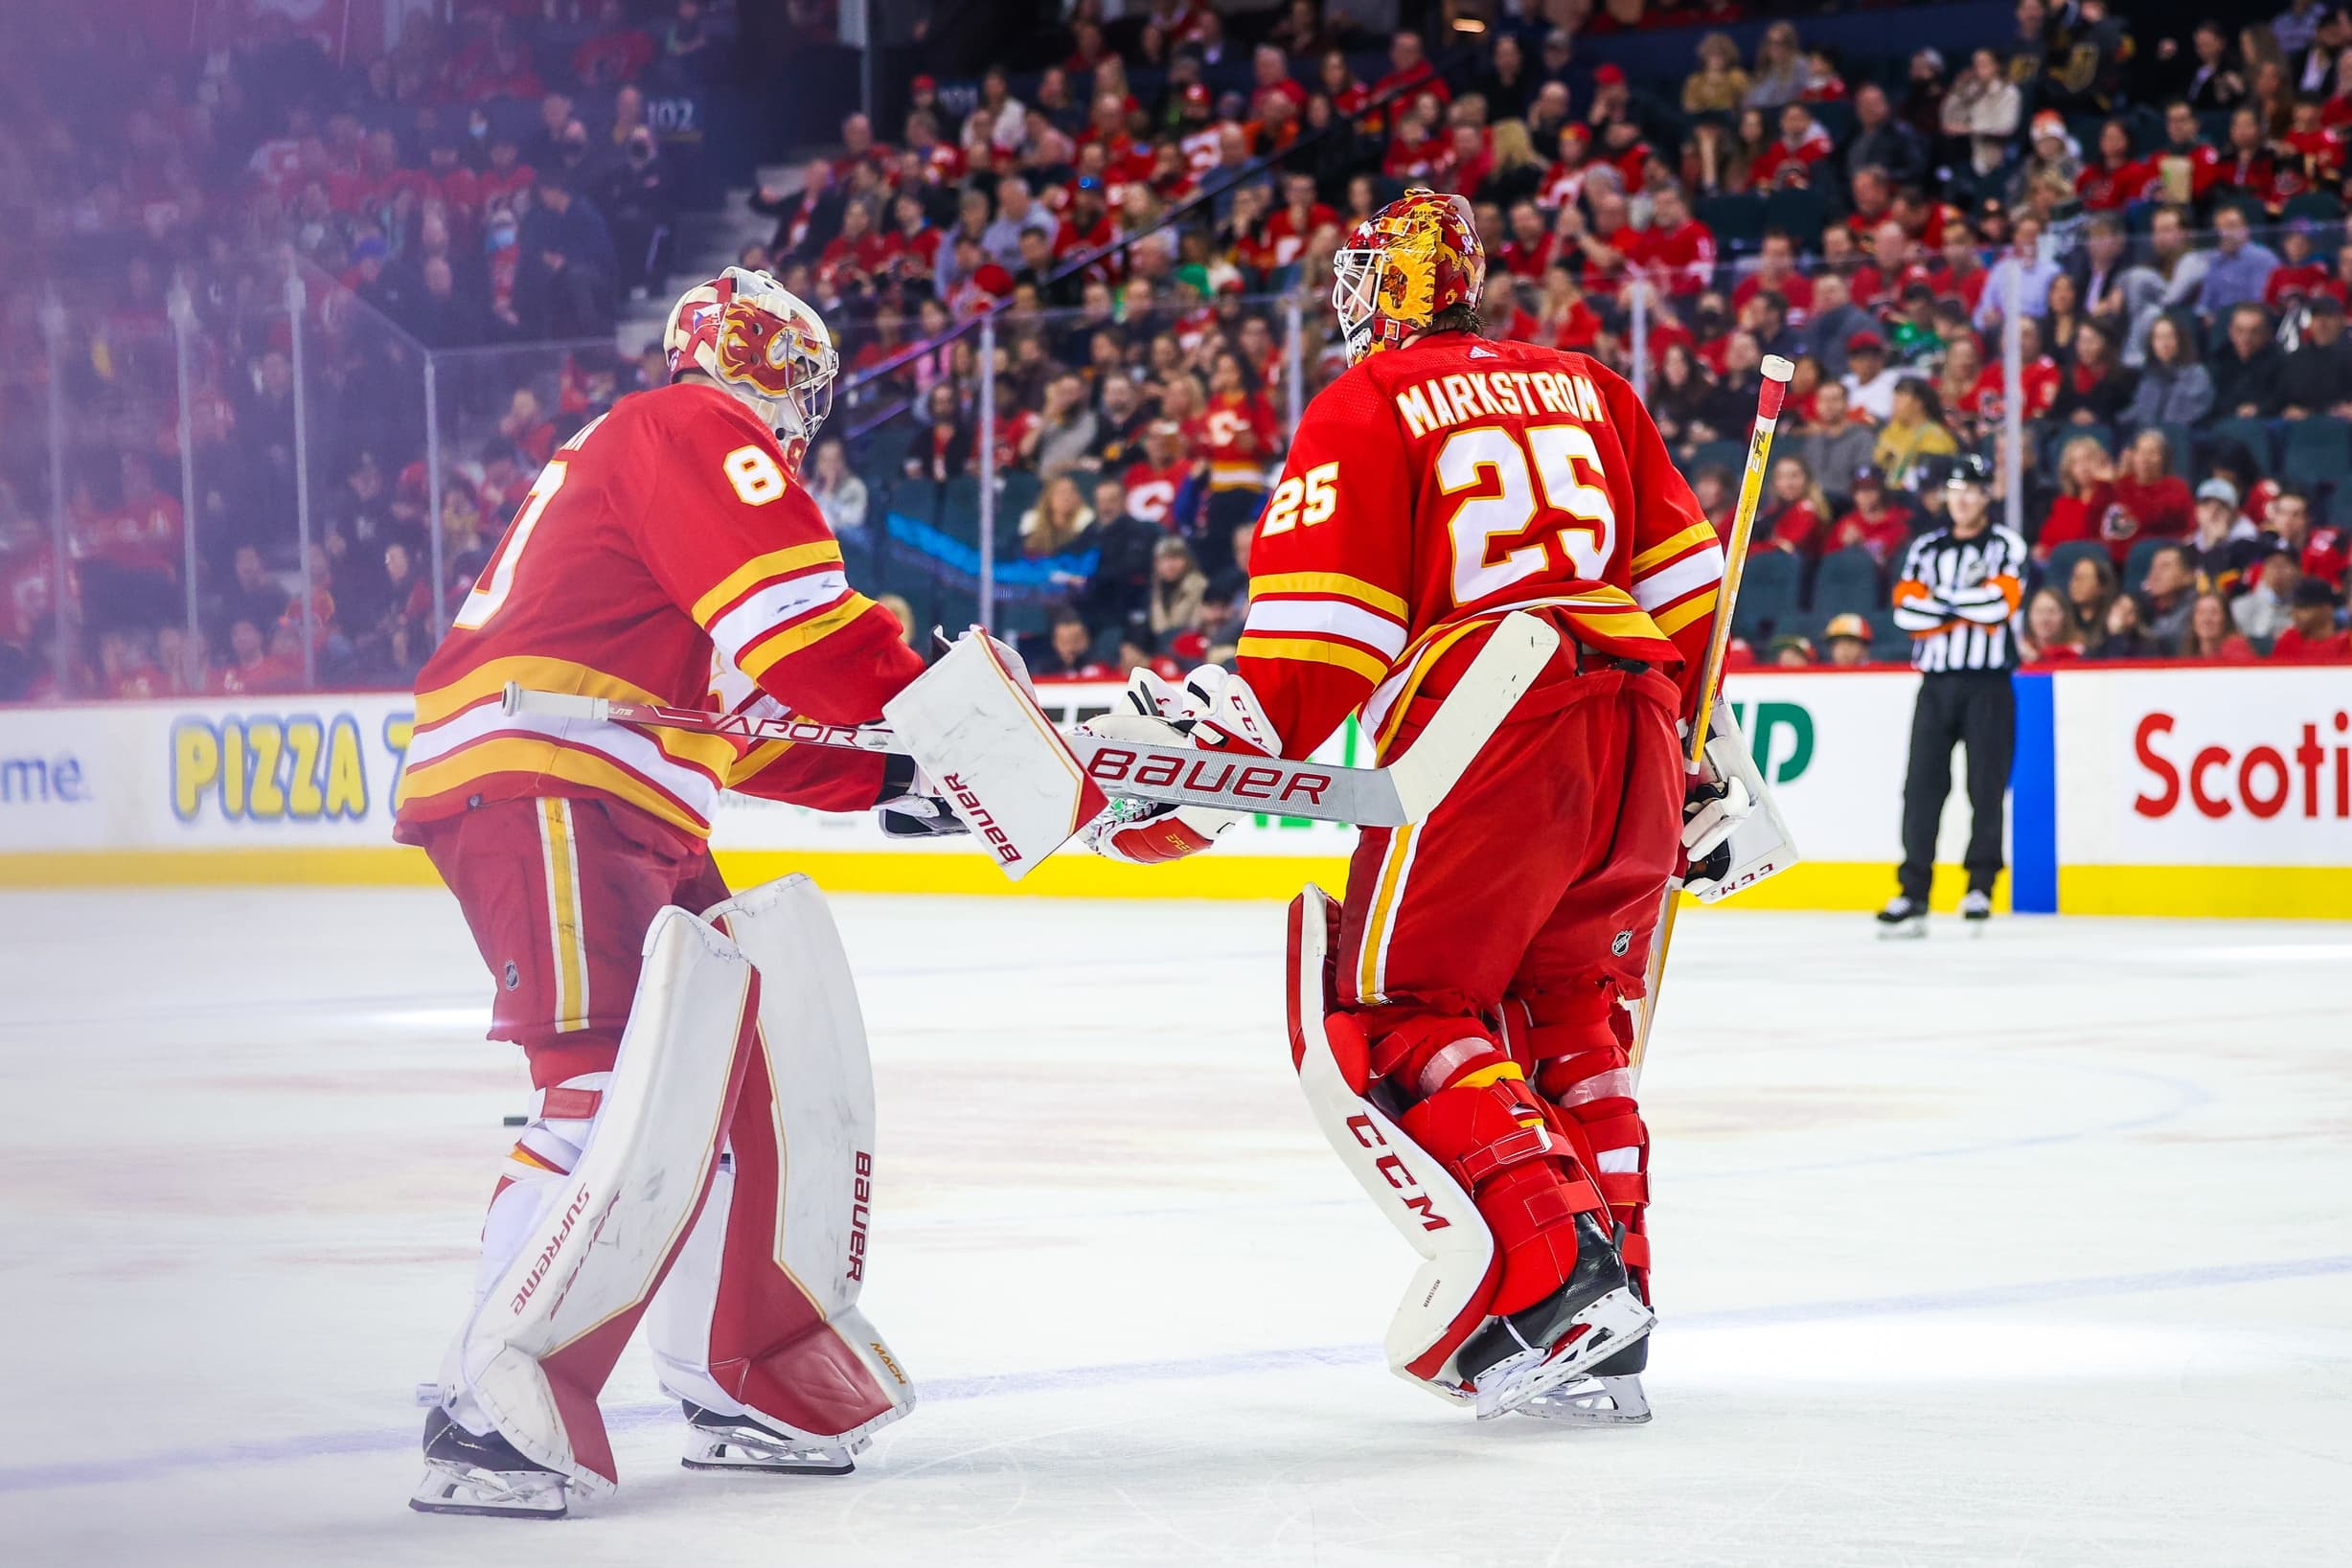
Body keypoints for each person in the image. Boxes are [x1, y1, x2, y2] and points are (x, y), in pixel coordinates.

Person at [1072, 189, 1772, 1427]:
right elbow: (1688, 606)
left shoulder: (1368, 401)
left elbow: (1317, 646)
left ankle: (1552, 1286)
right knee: (1571, 1019)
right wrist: (1706, 766)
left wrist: (1185, 780)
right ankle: (1611, 1314)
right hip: (1637, 725)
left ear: (1380, 293)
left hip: (1488, 721)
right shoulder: (1591, 385)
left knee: (1395, 1009)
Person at [395, 269, 945, 1517]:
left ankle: (735, 1370)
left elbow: (752, 722)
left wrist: (903, 774)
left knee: (732, 1077)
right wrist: (942, 720)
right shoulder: (692, 428)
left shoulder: (666, 479)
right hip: (549, 772)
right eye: (802, 383)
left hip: (622, 795)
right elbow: (810, 639)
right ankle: (488, 1401)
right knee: (609, 1086)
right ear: (772, 371)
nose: (803, 412)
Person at [1880, 456, 2027, 936]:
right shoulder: (1926, 547)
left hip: (1989, 685)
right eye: (1955, 490)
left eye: (1972, 490)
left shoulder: (2006, 545)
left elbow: (2001, 605)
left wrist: (1939, 601)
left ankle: (1980, 885)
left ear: (1987, 495)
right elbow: (1905, 612)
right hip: (1936, 684)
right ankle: (1913, 890)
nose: (1962, 499)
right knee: (1921, 787)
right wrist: (1965, 603)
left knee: (1985, 787)